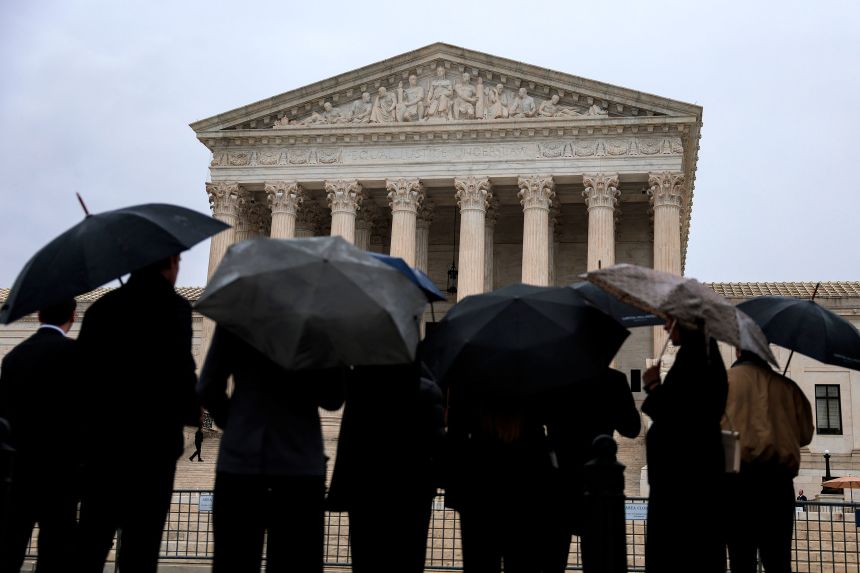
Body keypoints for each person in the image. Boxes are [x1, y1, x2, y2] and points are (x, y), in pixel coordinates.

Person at [75, 254, 200, 573]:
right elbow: (183, 374)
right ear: (170, 264)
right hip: (153, 449)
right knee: (141, 549)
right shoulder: (175, 308)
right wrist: (192, 411)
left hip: (102, 447)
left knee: (90, 543)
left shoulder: (102, 309)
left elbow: (81, 379)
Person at [198, 326, 344, 573]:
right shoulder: (318, 323)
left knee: (233, 563)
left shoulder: (238, 316)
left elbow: (208, 387)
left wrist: (235, 422)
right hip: (300, 465)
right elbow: (334, 397)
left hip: (241, 460)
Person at [326, 363, 444, 573]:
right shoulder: (427, 391)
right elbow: (436, 448)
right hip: (412, 495)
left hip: (367, 492)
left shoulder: (361, 389)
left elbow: (348, 443)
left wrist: (340, 492)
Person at [641, 320, 728, 573]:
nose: (666, 328)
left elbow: (677, 420)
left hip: (681, 486)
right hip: (692, 481)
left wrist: (653, 385)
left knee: (677, 556)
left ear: (687, 323)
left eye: (671, 321)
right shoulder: (704, 355)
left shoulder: (695, 359)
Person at [0, 299, 80, 573]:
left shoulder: (13, 358)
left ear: (37, 315)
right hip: (62, 474)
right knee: (56, 554)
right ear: (73, 315)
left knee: (10, 550)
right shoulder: (77, 355)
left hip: (18, 471)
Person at [541, 368, 641, 573]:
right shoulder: (614, 380)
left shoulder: (554, 379)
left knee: (552, 560)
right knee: (601, 558)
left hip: (560, 478)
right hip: (600, 482)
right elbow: (632, 428)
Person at [723, 349, 813, 573]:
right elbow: (805, 435)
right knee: (778, 561)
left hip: (737, 483)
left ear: (738, 349)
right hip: (777, 484)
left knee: (741, 560)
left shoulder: (724, 382)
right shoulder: (787, 387)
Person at [445, 389, 553, 573]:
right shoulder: (534, 392)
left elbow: (455, 439)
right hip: (524, 494)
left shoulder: (467, 390)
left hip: (478, 494)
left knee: (480, 563)